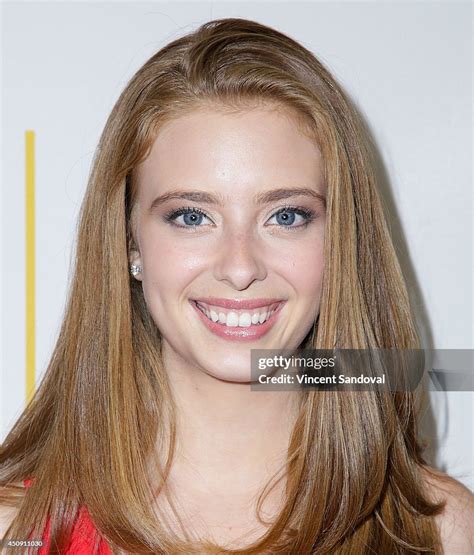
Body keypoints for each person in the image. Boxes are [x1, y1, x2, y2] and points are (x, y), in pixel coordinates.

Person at [1, 17, 472, 554]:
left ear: (340, 240)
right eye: (191, 217)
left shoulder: (438, 532)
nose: (241, 266)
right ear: (129, 244)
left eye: (287, 216)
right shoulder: (18, 533)